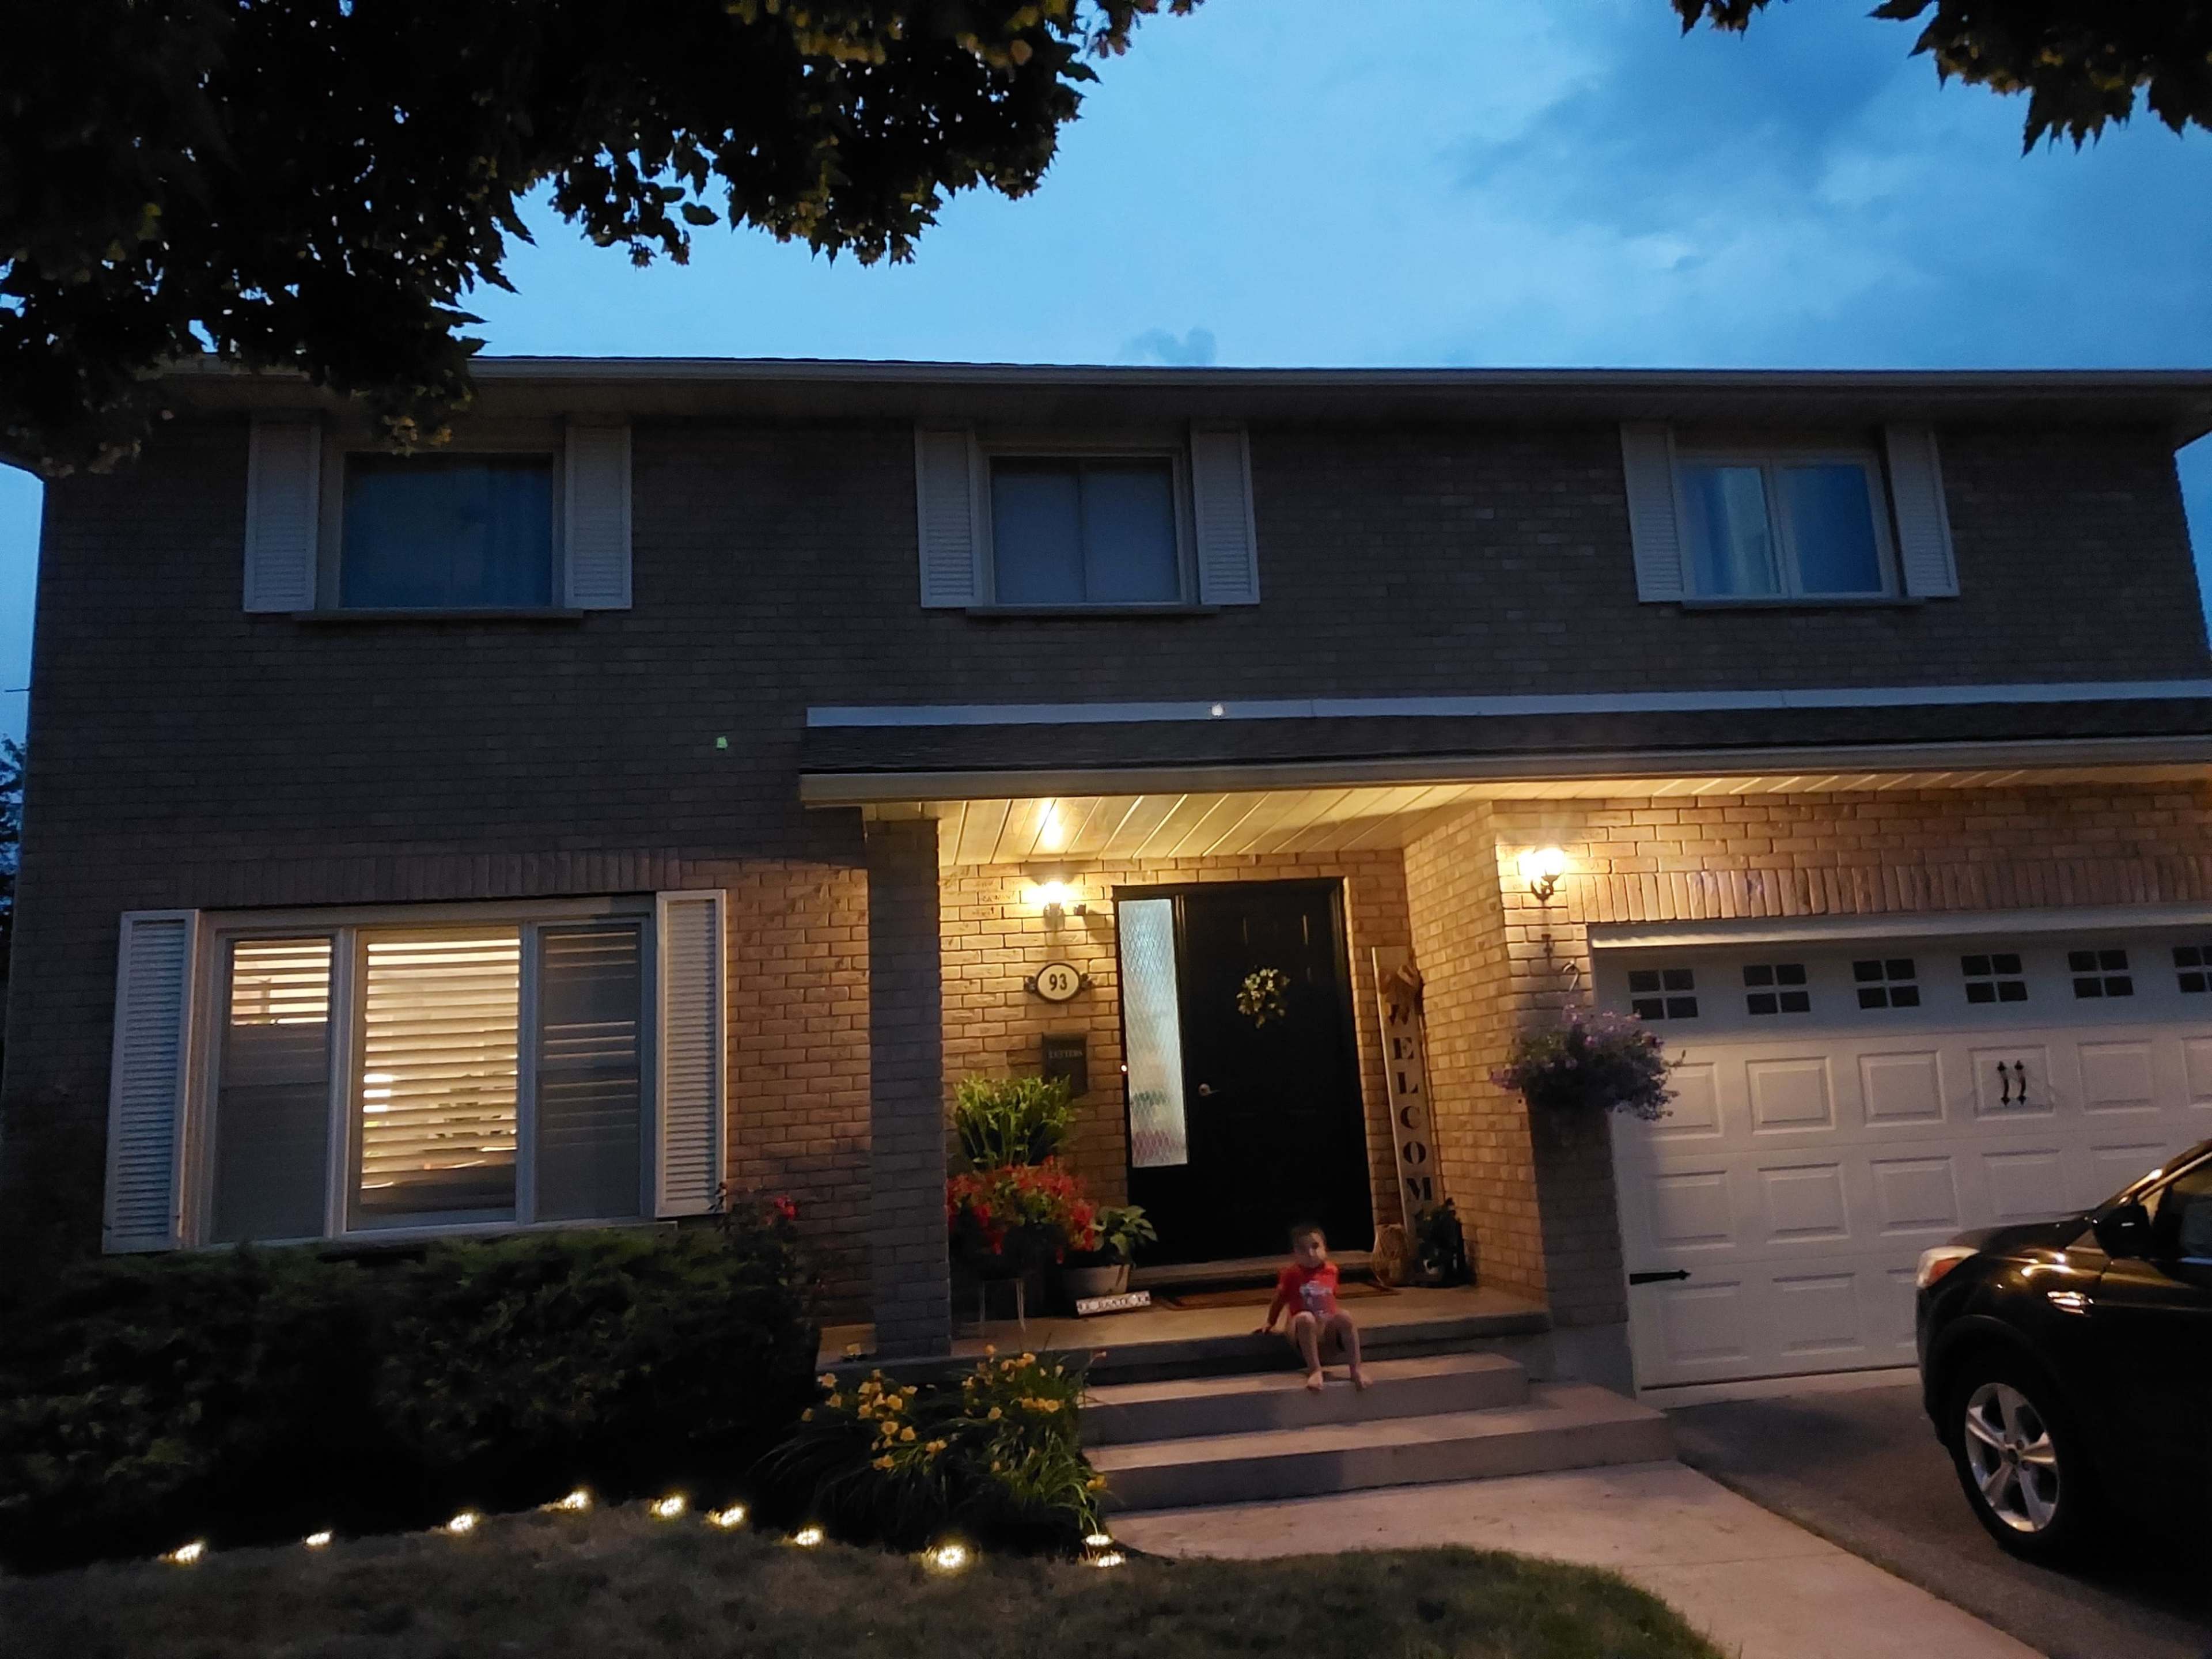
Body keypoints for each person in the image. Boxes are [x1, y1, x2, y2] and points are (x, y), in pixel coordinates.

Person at [1256, 1221, 1368, 1392]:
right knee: (1305, 1318)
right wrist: (1270, 1322)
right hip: (1302, 1332)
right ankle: (1315, 1370)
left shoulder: (1332, 1270)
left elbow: (1330, 1299)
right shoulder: (1291, 1274)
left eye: (1316, 1247)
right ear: (1294, 1253)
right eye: (1302, 1249)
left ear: (1326, 1249)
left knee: (1345, 1316)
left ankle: (1356, 1369)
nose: (1310, 1253)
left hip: (1325, 1331)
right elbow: (1279, 1299)